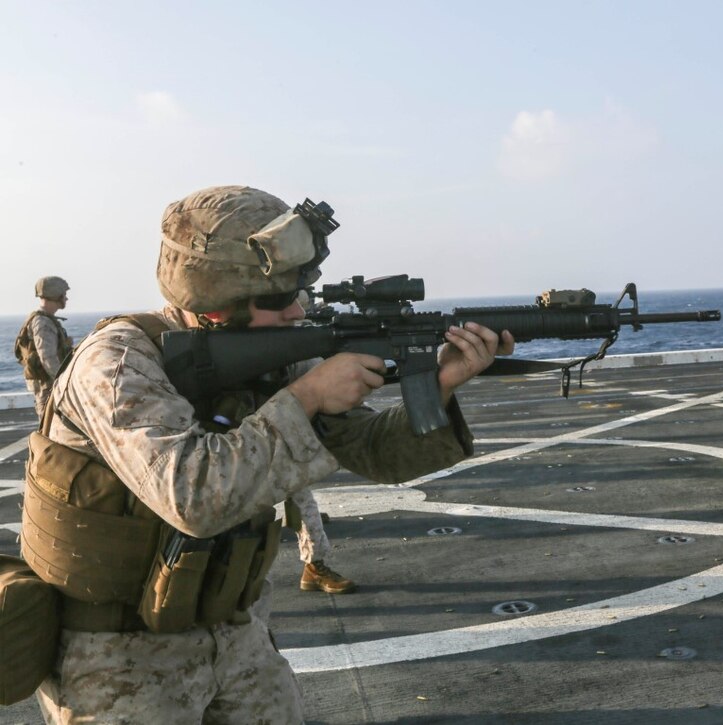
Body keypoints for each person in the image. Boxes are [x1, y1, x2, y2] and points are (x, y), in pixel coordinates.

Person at [21, 185, 513, 723]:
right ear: (214, 302)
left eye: (298, 293)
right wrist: (307, 399)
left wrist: (441, 384)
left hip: (236, 634)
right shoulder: (117, 362)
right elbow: (193, 497)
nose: (297, 310)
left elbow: (375, 452)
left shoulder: (273, 355)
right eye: (278, 300)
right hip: (117, 659)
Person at [13, 276, 73, 418]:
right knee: (48, 427)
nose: (66, 298)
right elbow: (48, 357)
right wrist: (63, 382)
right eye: (64, 295)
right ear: (56, 295)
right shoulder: (43, 322)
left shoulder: (45, 319)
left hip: (49, 383)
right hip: (47, 385)